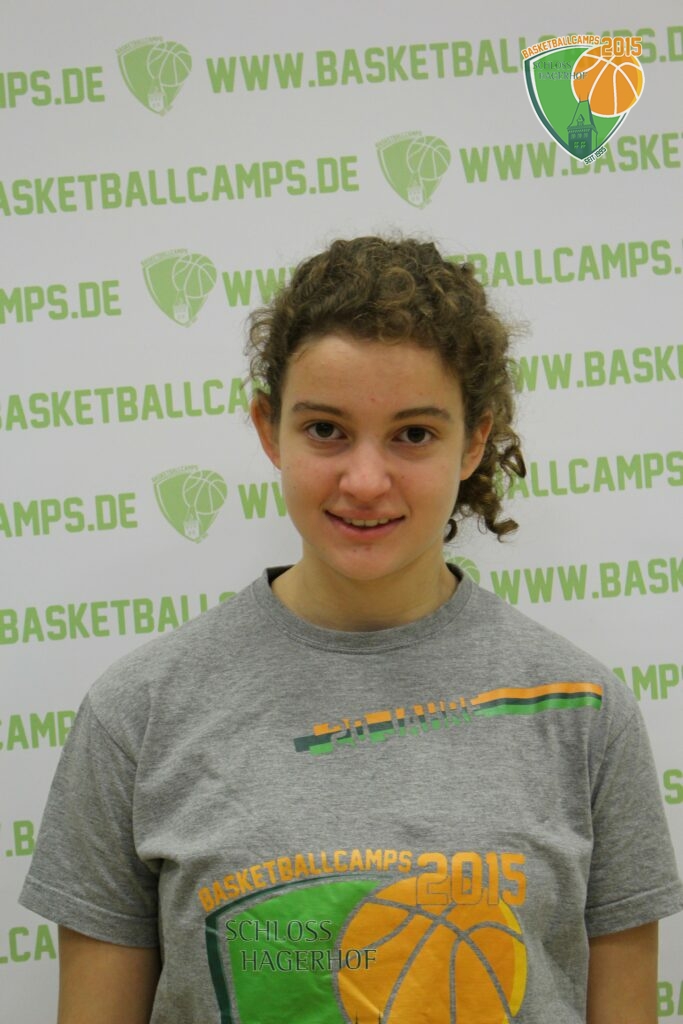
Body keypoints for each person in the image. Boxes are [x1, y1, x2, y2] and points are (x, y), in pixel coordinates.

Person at [21, 236, 682, 1024]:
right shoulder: (138, 713)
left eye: (413, 434)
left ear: (473, 440)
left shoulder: (583, 711)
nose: (365, 481)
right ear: (269, 428)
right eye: (326, 430)